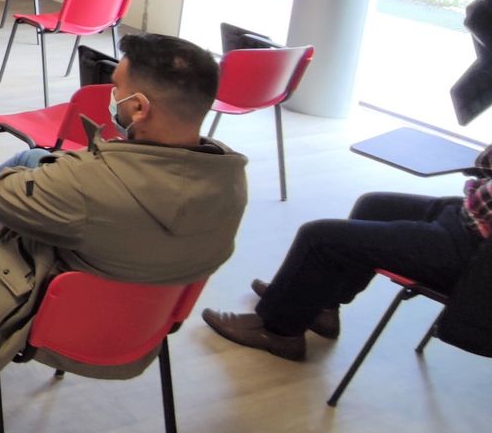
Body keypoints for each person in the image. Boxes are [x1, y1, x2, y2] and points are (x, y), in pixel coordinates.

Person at [0, 33, 249, 376]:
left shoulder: (91, 184)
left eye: (116, 87)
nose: (112, 95)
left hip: (60, 315)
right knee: (33, 156)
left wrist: (68, 176)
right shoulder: (230, 180)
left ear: (139, 109)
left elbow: (3, 198)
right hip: (147, 317)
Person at [202, 144, 491, 361]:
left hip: (475, 257)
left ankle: (278, 331)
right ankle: (321, 307)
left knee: (318, 237)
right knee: (373, 206)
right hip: (466, 216)